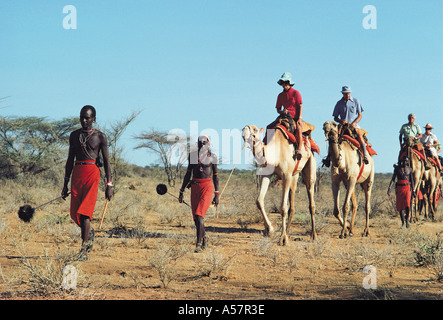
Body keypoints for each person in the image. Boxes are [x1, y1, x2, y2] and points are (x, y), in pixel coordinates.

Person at [62, 105, 113, 261]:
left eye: (87, 118)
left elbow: (106, 161)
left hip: (92, 173)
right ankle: (89, 233)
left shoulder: (100, 136)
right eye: (82, 117)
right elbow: (70, 160)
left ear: (94, 119)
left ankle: (84, 249)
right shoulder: (74, 135)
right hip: (77, 172)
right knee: (74, 213)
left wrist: (109, 184)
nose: (84, 120)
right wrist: (65, 183)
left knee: (85, 212)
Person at [178, 135, 219, 252]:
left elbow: (216, 177)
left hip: (207, 187)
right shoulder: (193, 156)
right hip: (195, 187)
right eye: (200, 143)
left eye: (204, 143)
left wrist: (217, 194)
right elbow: (188, 174)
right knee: (195, 218)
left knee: (199, 215)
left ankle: (198, 244)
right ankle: (204, 236)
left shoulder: (213, 157)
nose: (202, 145)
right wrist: (181, 190)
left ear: (208, 144)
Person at [266, 72, 303, 159]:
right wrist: (282, 112)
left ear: (289, 83)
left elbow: (300, 106)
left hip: (294, 116)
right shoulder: (280, 95)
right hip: (283, 116)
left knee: (298, 128)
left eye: (286, 82)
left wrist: (300, 118)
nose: (284, 85)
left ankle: (299, 149)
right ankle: (267, 147)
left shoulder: (296, 93)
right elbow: (278, 109)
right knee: (269, 127)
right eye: (283, 83)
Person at [332, 85, 369, 163]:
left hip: (353, 125)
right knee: (333, 137)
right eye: (345, 94)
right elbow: (335, 117)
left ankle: (365, 154)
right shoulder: (339, 103)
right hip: (343, 125)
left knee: (359, 134)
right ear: (342, 94)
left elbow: (360, 115)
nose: (347, 95)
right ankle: (329, 157)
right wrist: (341, 120)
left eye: (348, 93)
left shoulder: (356, 101)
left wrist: (355, 123)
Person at [387, 157, 415, 228]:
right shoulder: (397, 169)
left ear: (408, 162)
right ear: (401, 161)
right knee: (400, 206)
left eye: (406, 161)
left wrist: (413, 190)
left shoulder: (410, 169)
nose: (405, 162)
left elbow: (412, 180)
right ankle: (403, 223)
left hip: (407, 188)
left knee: (408, 205)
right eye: (404, 161)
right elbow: (393, 179)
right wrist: (389, 188)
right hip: (399, 188)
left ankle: (407, 219)